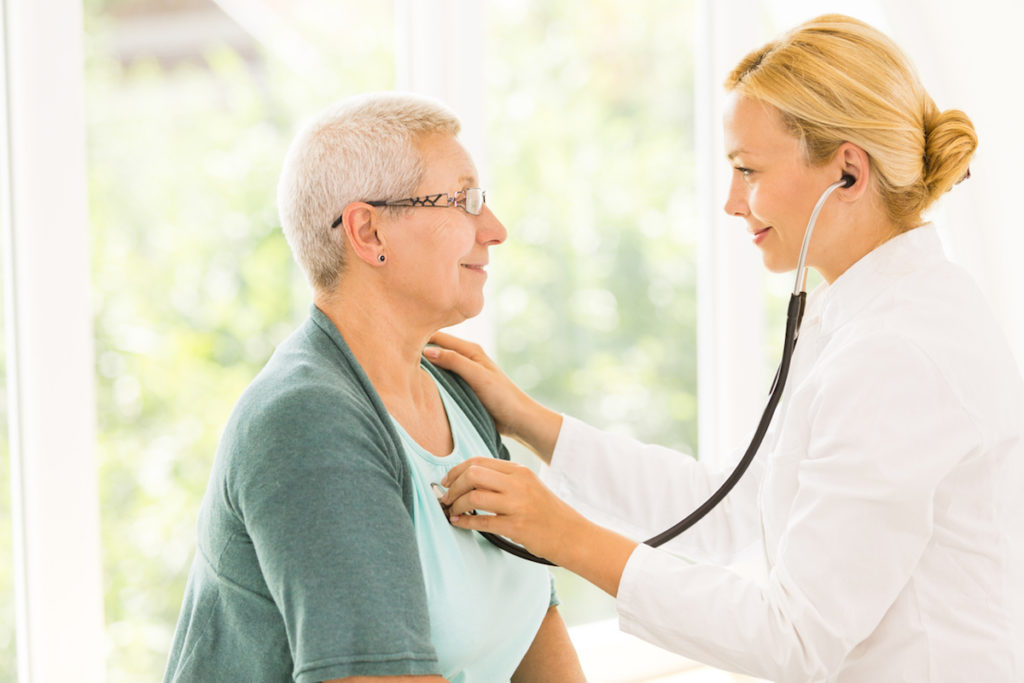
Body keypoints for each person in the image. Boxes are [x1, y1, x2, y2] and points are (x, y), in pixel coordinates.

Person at [425, 14, 1024, 681]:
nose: (733, 202)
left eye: (748, 169)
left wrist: (564, 534)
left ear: (848, 172)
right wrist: (531, 421)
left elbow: (795, 637)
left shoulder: (898, 353)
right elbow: (736, 506)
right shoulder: (866, 316)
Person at [163, 92, 585, 683]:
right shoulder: (306, 422)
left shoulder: (455, 389)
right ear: (367, 231)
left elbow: (533, 627)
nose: (494, 229)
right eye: (464, 200)